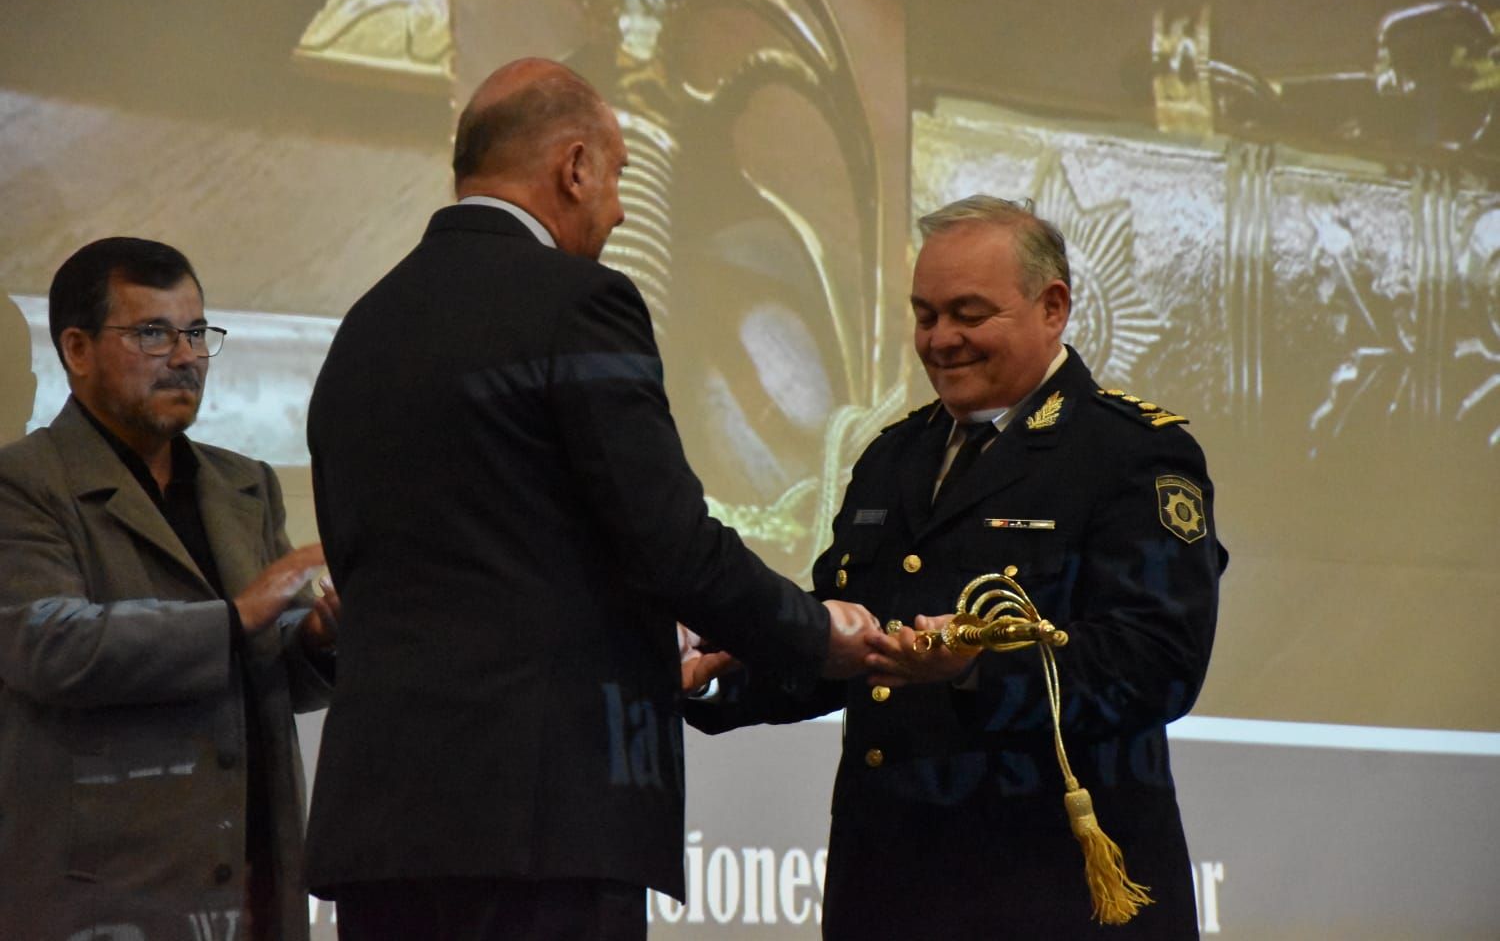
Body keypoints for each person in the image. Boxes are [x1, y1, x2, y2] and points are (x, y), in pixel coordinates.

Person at [303, 57, 875, 940]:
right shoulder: (578, 303)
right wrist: (816, 635)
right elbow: (669, 542)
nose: (614, 212)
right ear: (573, 167)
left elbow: (418, 559)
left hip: (384, 827)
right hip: (539, 829)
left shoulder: (366, 323)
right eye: (614, 179)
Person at [689, 195, 1227, 939]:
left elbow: (1159, 661)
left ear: (1053, 307)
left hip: (1052, 905)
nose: (941, 340)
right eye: (925, 314)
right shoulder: (893, 456)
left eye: (968, 315)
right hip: (887, 897)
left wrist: (976, 670)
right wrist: (722, 657)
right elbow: (851, 638)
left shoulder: (1131, 455)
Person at [0, 237, 339, 941]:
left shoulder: (245, 484)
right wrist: (236, 617)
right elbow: (48, 644)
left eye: (195, 332)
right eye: (152, 332)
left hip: (253, 883)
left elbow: (276, 670)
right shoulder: (25, 484)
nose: (186, 356)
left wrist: (318, 636)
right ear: (76, 348)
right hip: (105, 900)